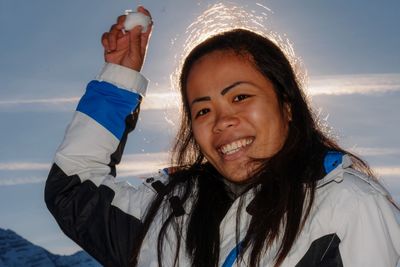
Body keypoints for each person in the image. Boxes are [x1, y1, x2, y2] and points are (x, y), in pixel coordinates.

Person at [45, 6, 400, 267]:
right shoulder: (168, 216)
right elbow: (72, 189)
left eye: (240, 97)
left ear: (287, 104)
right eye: (202, 110)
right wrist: (118, 80)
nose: (221, 121)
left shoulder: (348, 205)